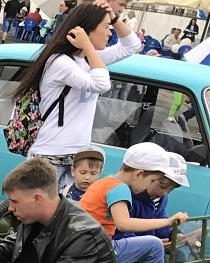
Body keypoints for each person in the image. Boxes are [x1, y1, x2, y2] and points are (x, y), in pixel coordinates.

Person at [14, 0, 139, 193]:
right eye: (106, 27)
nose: (110, 33)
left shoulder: (86, 60)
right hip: (50, 157)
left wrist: (114, 18)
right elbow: (101, 84)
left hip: (78, 158)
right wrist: (88, 46)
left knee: (67, 212)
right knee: (40, 211)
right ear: (86, 30)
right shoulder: (61, 63)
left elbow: (132, 46)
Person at [79, 141, 189, 263]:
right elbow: (124, 224)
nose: (148, 187)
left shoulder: (105, 182)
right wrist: (168, 222)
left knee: (144, 262)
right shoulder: (120, 189)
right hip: (96, 248)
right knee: (154, 246)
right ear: (138, 174)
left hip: (87, 245)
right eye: (151, 181)